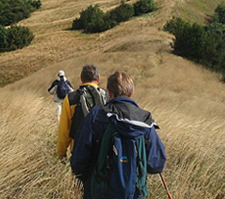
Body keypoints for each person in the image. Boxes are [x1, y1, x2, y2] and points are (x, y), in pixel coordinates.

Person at [70, 71, 166, 199]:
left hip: (99, 192)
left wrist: (85, 180)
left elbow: (78, 160)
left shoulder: (97, 116)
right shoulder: (144, 122)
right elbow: (156, 164)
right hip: (134, 194)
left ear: (109, 92)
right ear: (132, 93)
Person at [57, 64, 107, 160]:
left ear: (81, 78)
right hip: (101, 148)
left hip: (78, 148)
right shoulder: (107, 96)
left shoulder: (71, 98)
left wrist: (61, 152)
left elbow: (64, 129)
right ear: (98, 78)